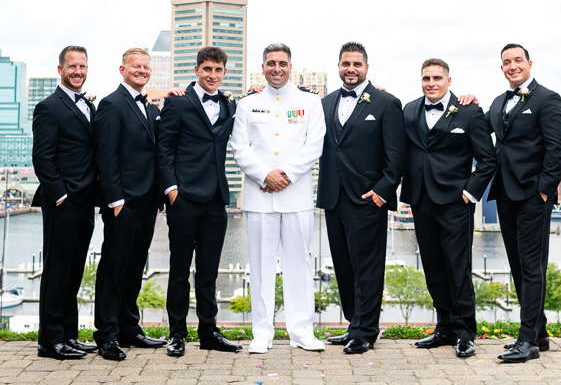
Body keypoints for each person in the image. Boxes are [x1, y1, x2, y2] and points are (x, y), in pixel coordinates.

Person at [231, 43, 326, 354]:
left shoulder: (310, 103)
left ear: (290, 67)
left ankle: (302, 331)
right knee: (259, 267)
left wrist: (284, 174)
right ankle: (262, 332)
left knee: (298, 264)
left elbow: (315, 146)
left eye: (282, 63)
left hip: (296, 196)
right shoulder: (247, 105)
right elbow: (239, 148)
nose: (277, 68)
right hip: (259, 198)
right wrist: (264, 175)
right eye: (271, 63)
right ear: (263, 67)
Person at [400, 58, 497, 358]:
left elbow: (488, 159)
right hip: (420, 200)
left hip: (456, 203)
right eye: (426, 78)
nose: (431, 83)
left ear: (448, 81)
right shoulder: (409, 109)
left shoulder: (469, 112)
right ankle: (444, 328)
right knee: (433, 268)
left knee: (458, 268)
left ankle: (465, 332)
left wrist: (469, 193)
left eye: (437, 78)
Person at [317, 41, 405, 354]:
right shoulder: (324, 103)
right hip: (332, 198)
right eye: (345, 64)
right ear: (338, 66)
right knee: (343, 266)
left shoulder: (386, 103)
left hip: (367, 199)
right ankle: (353, 324)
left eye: (356, 64)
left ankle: (366, 332)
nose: (351, 69)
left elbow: (397, 155)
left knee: (368, 267)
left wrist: (383, 192)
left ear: (366, 67)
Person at [157, 46, 243, 357]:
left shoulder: (231, 103)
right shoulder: (177, 102)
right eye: (207, 69)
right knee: (179, 269)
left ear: (224, 72)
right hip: (184, 199)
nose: (212, 75)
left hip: (217, 199)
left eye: (218, 70)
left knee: (209, 272)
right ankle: (176, 334)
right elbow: (164, 149)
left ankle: (209, 332)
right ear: (197, 70)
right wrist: (171, 190)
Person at [487, 44, 561, 363]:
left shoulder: (547, 99)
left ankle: (527, 341)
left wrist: (544, 191)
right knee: (519, 266)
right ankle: (540, 334)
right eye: (506, 62)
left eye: (518, 60)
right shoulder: (498, 102)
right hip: (504, 194)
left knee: (532, 267)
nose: (512, 65)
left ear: (529, 63)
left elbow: (557, 149)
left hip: (534, 196)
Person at [92, 48, 167, 360]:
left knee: (136, 268)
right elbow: (105, 157)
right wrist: (116, 200)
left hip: (147, 202)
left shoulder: (149, 106)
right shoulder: (110, 104)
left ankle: (129, 327)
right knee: (114, 269)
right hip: (123, 203)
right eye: (136, 67)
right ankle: (106, 334)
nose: (142, 71)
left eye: (146, 67)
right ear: (122, 69)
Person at [31, 46, 99, 360]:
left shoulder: (88, 105)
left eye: (82, 66)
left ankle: (69, 335)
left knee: (73, 271)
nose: (78, 71)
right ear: (60, 69)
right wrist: (60, 195)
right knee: (57, 270)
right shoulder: (48, 107)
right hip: (63, 202)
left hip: (86, 202)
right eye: (72, 66)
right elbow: (42, 158)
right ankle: (50, 341)